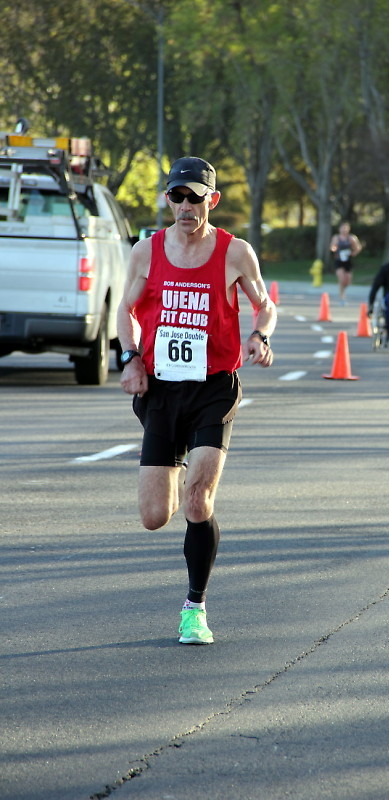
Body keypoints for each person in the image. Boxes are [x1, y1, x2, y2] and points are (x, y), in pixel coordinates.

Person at [117, 156, 277, 645]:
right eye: (177, 196)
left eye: (195, 197)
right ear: (168, 198)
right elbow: (125, 310)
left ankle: (195, 608)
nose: (185, 206)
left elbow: (264, 303)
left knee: (198, 501)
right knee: (153, 517)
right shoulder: (146, 252)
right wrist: (130, 358)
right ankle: (185, 481)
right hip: (162, 390)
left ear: (213, 199)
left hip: (213, 386)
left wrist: (260, 336)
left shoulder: (234, 252)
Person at [329, 221, 362, 303]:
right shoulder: (336, 238)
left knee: (348, 280)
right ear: (339, 229)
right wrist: (334, 248)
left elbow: (358, 247)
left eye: (346, 228)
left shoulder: (351, 238)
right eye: (342, 228)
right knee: (342, 278)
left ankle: (343, 291)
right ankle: (342, 296)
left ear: (348, 229)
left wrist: (354, 253)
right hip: (339, 260)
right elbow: (333, 246)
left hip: (348, 261)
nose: (344, 230)